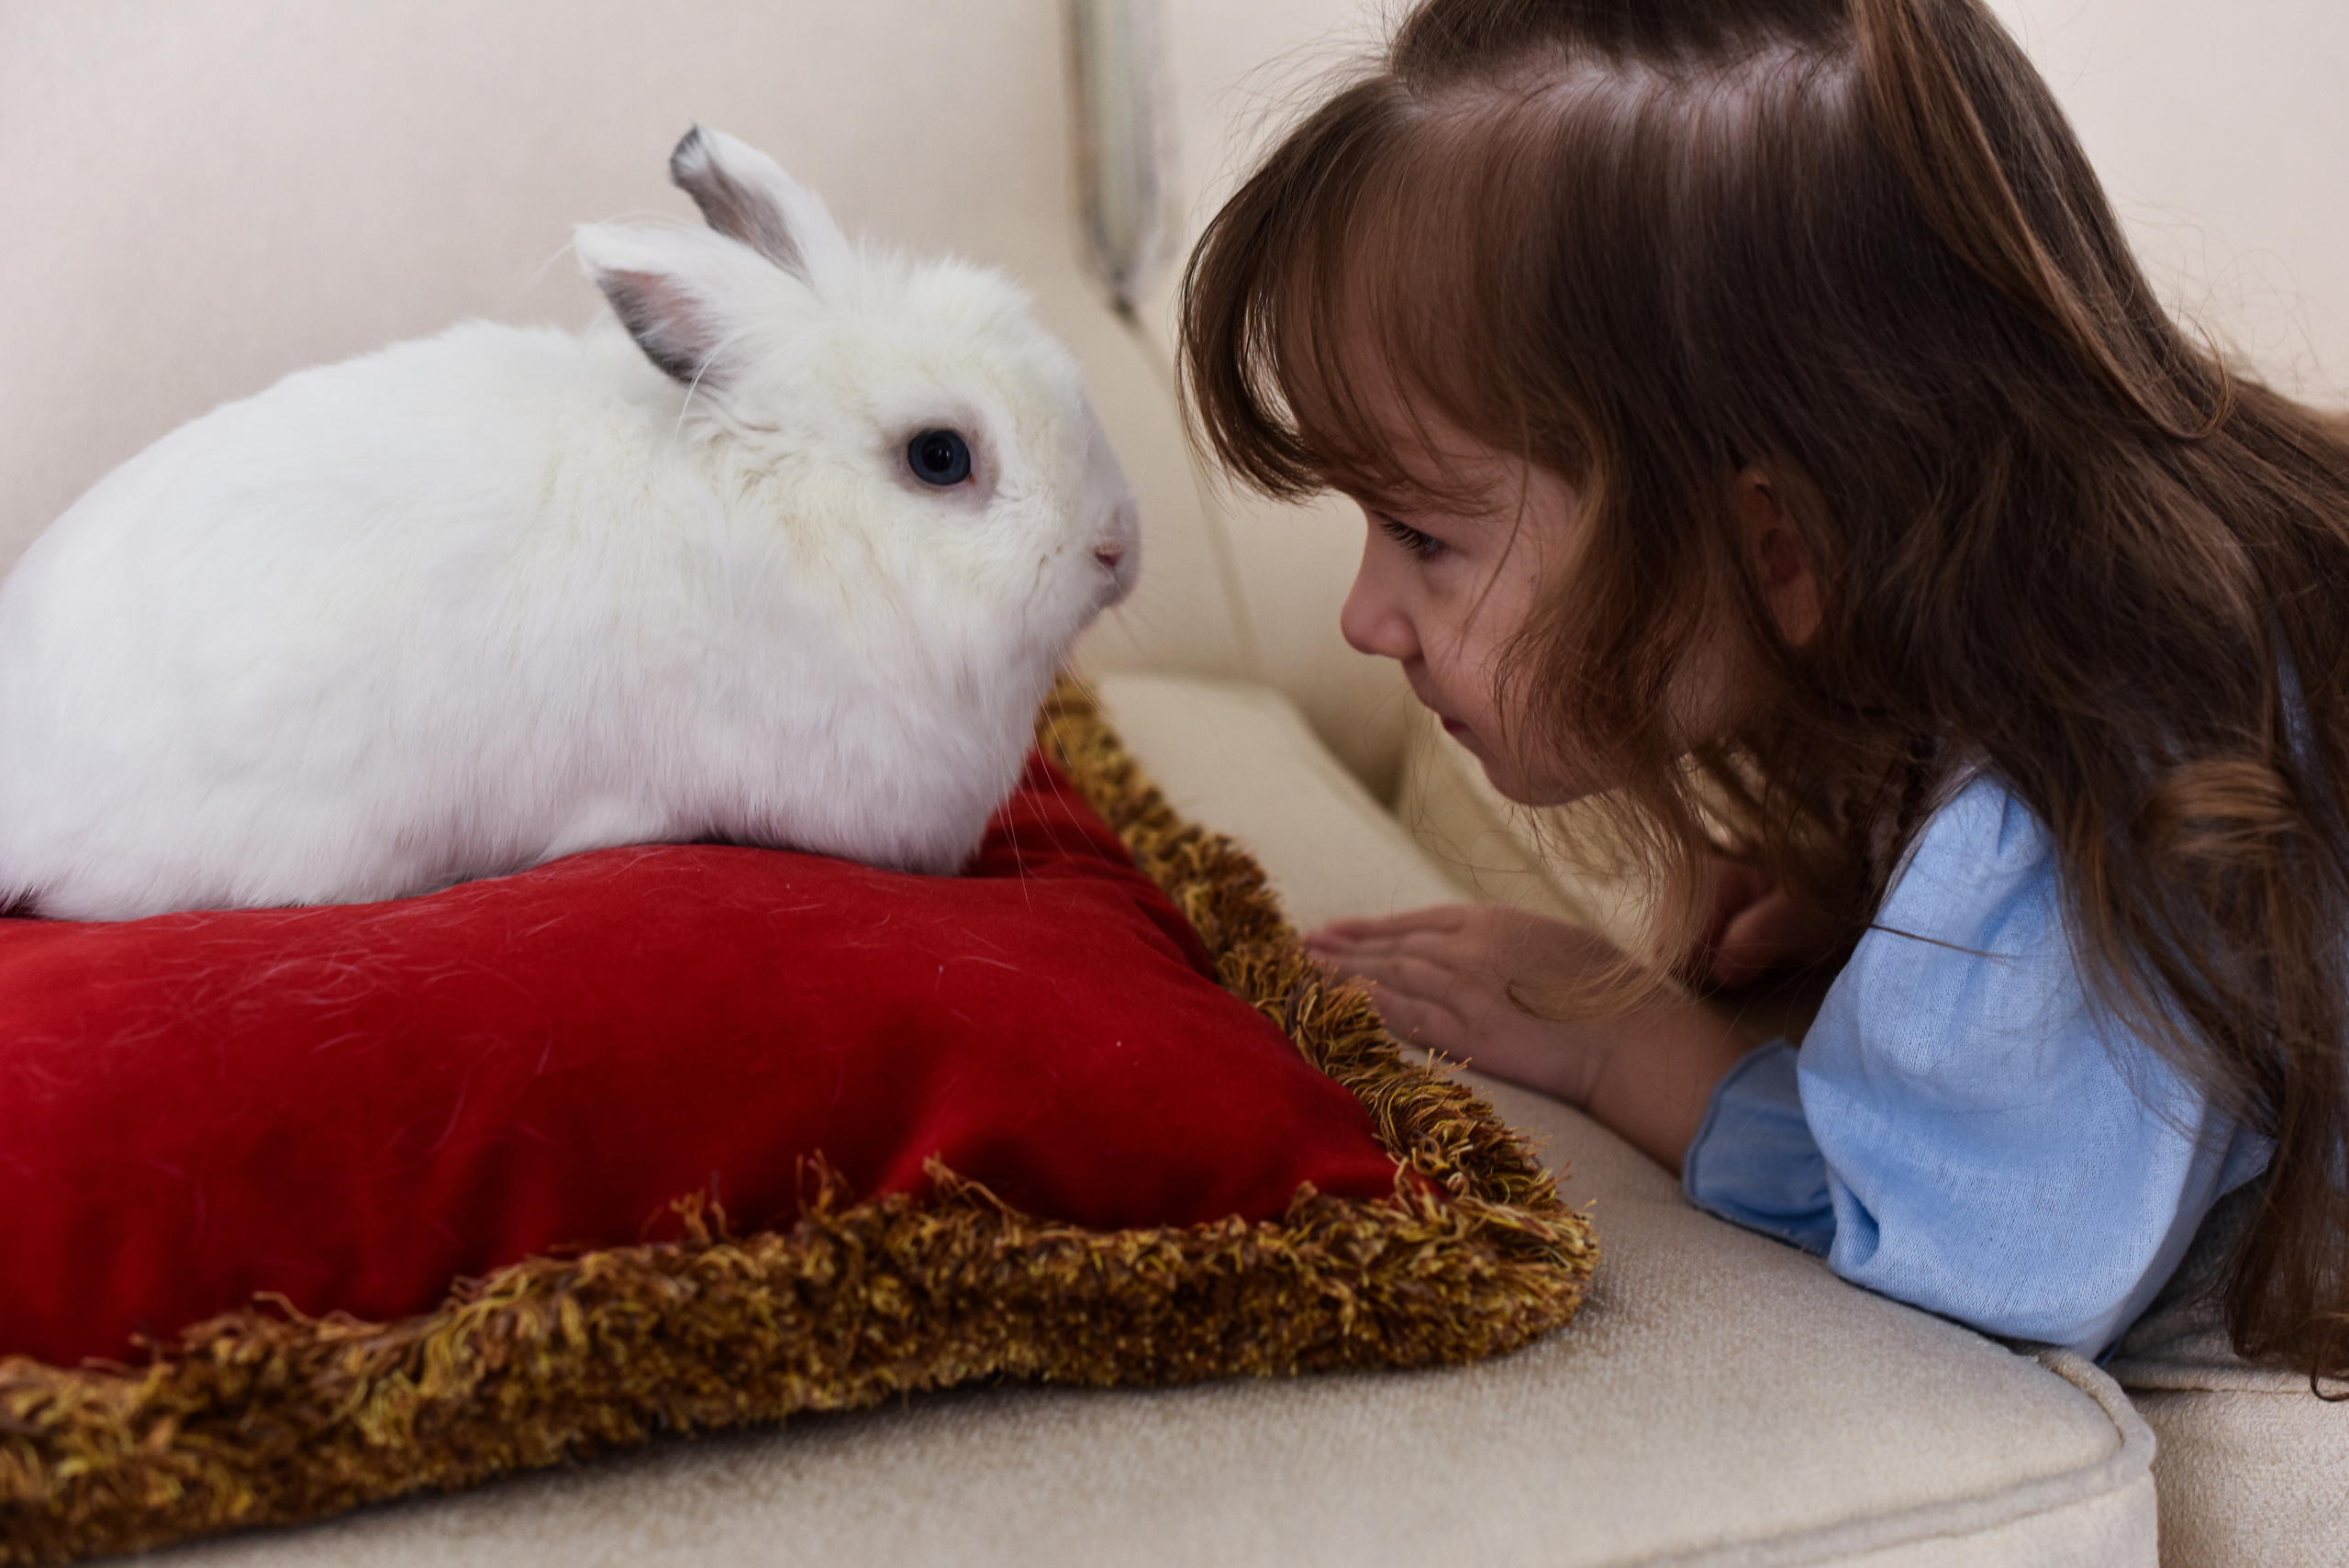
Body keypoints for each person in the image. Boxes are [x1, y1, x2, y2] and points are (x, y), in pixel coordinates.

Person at [1177, 0, 2349, 1381]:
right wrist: (1873, 890)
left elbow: (1989, 1253)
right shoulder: (2039, 600)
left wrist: (1637, 1048)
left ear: (1777, 542)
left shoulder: (2112, 749)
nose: (1366, 616)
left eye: (1428, 537)